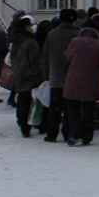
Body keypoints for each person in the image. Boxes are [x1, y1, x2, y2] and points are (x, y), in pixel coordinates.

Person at [40, 9, 80, 142]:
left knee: (54, 108)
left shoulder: (52, 34)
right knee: (70, 108)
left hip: (55, 76)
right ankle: (68, 133)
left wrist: (46, 75)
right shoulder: (76, 35)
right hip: (72, 77)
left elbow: (45, 56)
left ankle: (51, 133)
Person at [9, 16, 44, 136]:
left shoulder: (16, 41)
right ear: (25, 28)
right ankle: (28, 125)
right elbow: (35, 61)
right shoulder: (30, 42)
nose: (32, 28)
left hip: (18, 72)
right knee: (29, 101)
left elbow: (12, 58)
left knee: (22, 99)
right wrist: (38, 76)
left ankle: (22, 122)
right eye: (29, 26)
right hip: (29, 73)